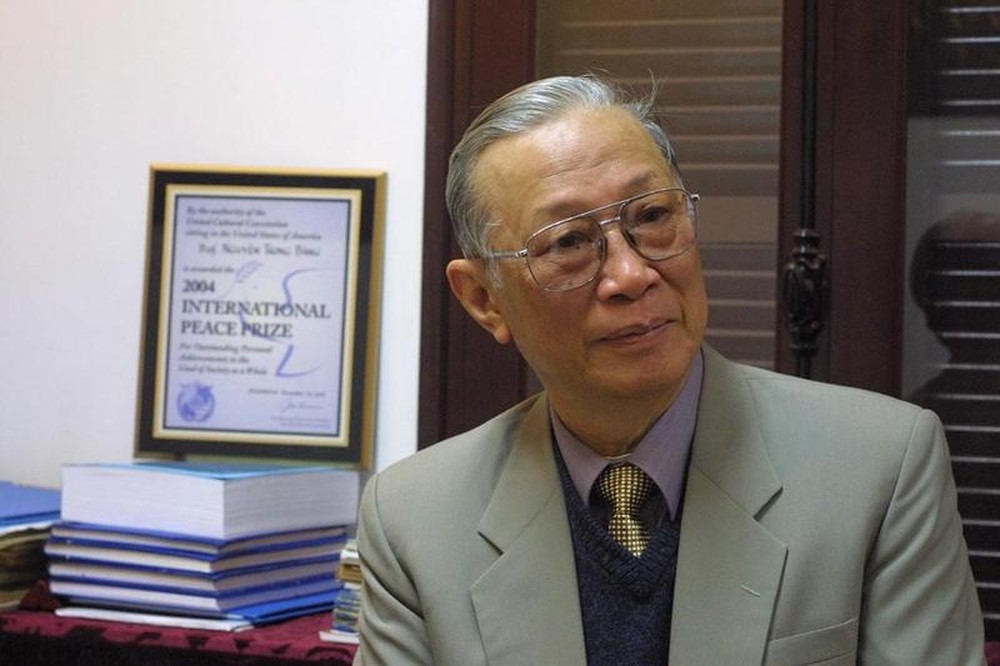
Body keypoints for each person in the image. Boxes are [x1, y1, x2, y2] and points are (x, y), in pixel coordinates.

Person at [353, 74, 985, 665]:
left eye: (653, 216)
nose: (631, 275)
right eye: (568, 242)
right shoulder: (414, 519)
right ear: (484, 300)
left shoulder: (878, 466)